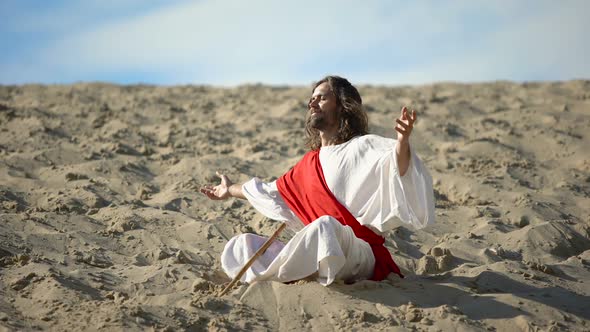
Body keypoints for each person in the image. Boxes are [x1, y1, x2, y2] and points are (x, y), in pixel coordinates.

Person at [201, 75, 435, 285]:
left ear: (342, 105)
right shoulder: (308, 163)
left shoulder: (363, 146)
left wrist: (403, 142)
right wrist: (229, 189)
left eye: (321, 98)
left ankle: (288, 273)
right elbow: (269, 192)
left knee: (324, 227)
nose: (312, 103)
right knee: (242, 244)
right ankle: (296, 272)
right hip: (320, 247)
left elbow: (398, 166)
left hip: (358, 252)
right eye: (312, 99)